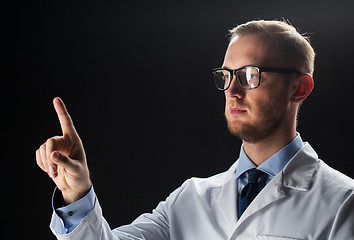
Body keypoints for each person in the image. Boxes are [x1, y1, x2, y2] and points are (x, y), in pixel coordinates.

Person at [36, 20, 354, 239]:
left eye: (250, 75)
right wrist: (76, 192)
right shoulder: (190, 199)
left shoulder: (343, 202)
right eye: (227, 76)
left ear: (300, 87)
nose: (233, 91)